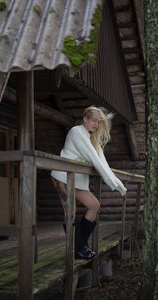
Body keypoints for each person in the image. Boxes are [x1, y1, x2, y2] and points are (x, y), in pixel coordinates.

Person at [51, 106, 127, 260]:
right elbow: (93, 158)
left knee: (94, 205)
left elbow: (101, 161)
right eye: (93, 120)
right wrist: (111, 181)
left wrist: (115, 181)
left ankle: (80, 246)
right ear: (85, 119)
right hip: (63, 177)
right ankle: (80, 249)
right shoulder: (76, 132)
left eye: (98, 122)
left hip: (77, 180)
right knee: (70, 211)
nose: (96, 124)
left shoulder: (92, 138)